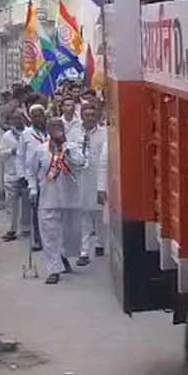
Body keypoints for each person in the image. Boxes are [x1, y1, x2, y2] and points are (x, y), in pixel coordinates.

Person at [28, 119, 86, 284]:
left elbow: (82, 163)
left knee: (71, 234)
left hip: (70, 199)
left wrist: (67, 152)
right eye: (53, 128)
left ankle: (64, 255)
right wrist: (33, 189)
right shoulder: (40, 150)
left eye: (59, 127)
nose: (57, 130)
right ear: (49, 130)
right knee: (49, 235)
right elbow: (31, 171)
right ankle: (54, 269)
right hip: (48, 199)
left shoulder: (73, 148)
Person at [75, 100, 108, 264]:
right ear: (81, 115)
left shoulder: (104, 133)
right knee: (84, 217)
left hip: (99, 179)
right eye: (87, 114)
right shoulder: (74, 133)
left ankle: (101, 243)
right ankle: (84, 252)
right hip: (80, 180)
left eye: (93, 115)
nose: (90, 118)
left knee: (100, 215)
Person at [0, 109, 29, 242]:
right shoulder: (7, 136)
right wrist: (11, 151)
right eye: (13, 119)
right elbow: (0, 153)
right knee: (11, 204)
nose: (16, 121)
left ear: (23, 118)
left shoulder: (29, 133)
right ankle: (11, 230)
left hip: (27, 174)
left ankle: (26, 229)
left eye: (19, 118)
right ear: (10, 121)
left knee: (27, 203)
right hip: (12, 174)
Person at [22, 105, 50, 251]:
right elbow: (22, 157)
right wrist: (27, 181)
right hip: (34, 177)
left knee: (51, 212)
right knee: (36, 211)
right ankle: (37, 239)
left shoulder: (51, 131)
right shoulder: (26, 134)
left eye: (39, 116)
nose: (37, 119)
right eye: (34, 116)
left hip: (51, 177)